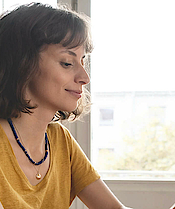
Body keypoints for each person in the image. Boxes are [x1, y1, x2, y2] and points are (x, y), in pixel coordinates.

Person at [0, 2, 132, 209]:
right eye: (67, 63)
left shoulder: (60, 140)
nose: (84, 77)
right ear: (23, 64)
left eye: (83, 61)